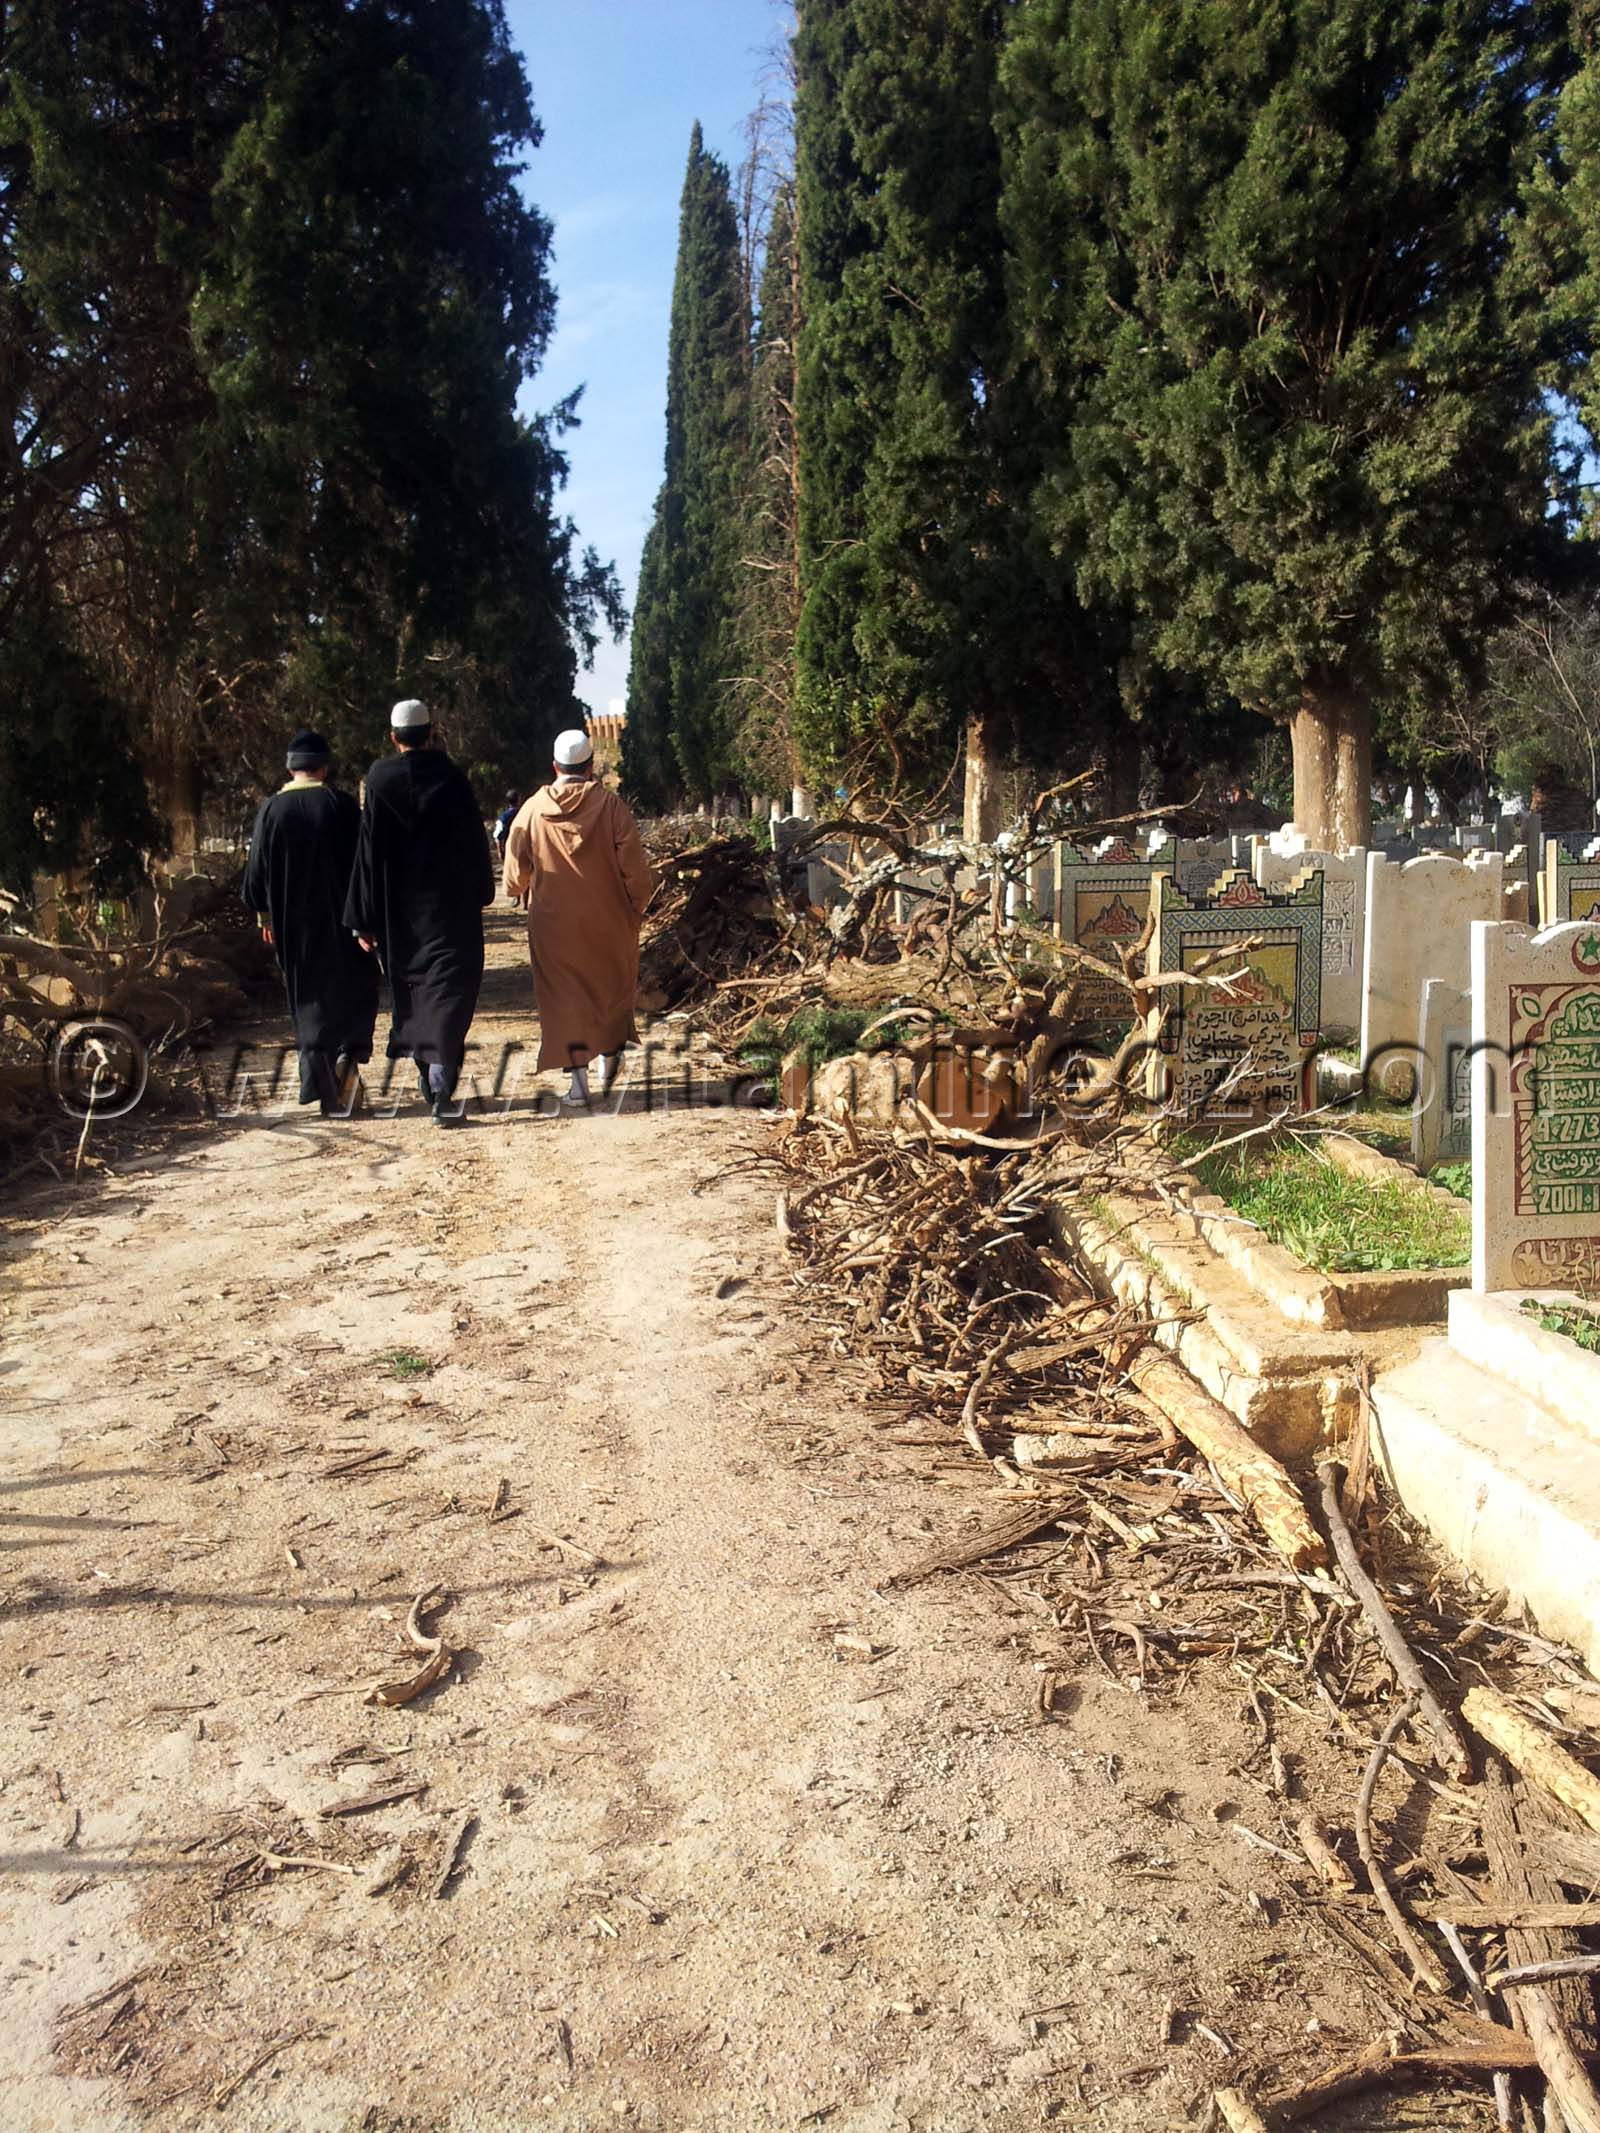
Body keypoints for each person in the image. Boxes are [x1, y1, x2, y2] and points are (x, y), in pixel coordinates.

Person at [343, 698, 495, 1126]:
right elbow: (472, 840)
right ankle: (440, 1083)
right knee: (450, 992)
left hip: (399, 914)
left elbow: (368, 850)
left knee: (412, 994)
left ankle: (432, 1076)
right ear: (432, 733)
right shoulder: (452, 778)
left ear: (394, 737)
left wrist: (362, 915)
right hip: (449, 910)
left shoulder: (379, 778)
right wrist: (483, 891)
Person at [502, 727, 653, 1107]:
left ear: (554, 766)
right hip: (609, 919)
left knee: (564, 999)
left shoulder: (533, 810)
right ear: (590, 767)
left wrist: (518, 889)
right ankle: (609, 1053)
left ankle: (578, 1085)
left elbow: (514, 876)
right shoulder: (612, 806)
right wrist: (636, 907)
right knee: (609, 987)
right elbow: (635, 869)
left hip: (554, 924)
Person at [242, 729, 377, 1117]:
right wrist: (367, 919)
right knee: (351, 991)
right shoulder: (342, 806)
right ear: (325, 766)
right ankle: (348, 1058)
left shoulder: (270, 811)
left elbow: (255, 876)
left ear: (289, 768)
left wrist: (264, 914)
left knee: (309, 999)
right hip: (344, 922)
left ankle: (321, 1080)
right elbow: (363, 867)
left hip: (293, 925)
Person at [493, 789, 518, 863]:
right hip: (524, 849)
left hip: (510, 850)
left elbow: (497, 836)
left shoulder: (503, 817)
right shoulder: (523, 814)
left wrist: (500, 852)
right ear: (519, 799)